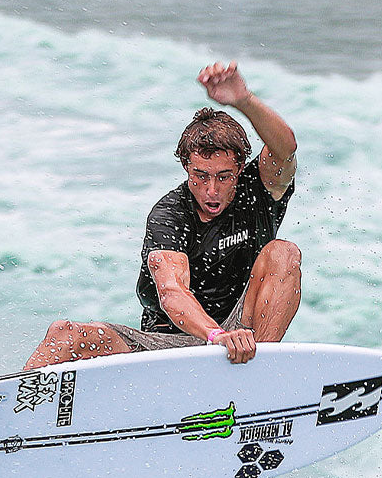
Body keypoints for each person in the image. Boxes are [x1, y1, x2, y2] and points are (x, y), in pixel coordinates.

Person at [22, 61, 300, 369]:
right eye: (200, 175)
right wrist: (215, 335)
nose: (211, 190)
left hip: (243, 336)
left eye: (223, 177)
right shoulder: (169, 214)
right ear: (186, 167)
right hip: (170, 345)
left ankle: (257, 374)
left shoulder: (256, 191)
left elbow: (284, 149)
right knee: (65, 335)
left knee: (284, 253)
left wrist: (243, 100)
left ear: (238, 170)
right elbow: (172, 292)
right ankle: (8, 407)